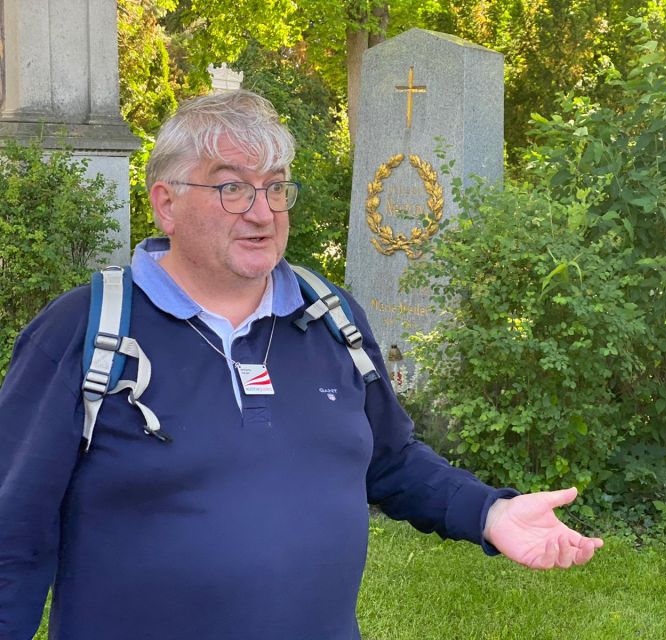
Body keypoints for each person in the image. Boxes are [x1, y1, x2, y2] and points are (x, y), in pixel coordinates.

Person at [0, 90, 603, 640]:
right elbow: (11, 534)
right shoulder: (87, 330)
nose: (261, 213)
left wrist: (489, 511)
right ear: (166, 204)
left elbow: (389, 460)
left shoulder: (330, 317)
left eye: (275, 187)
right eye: (231, 187)